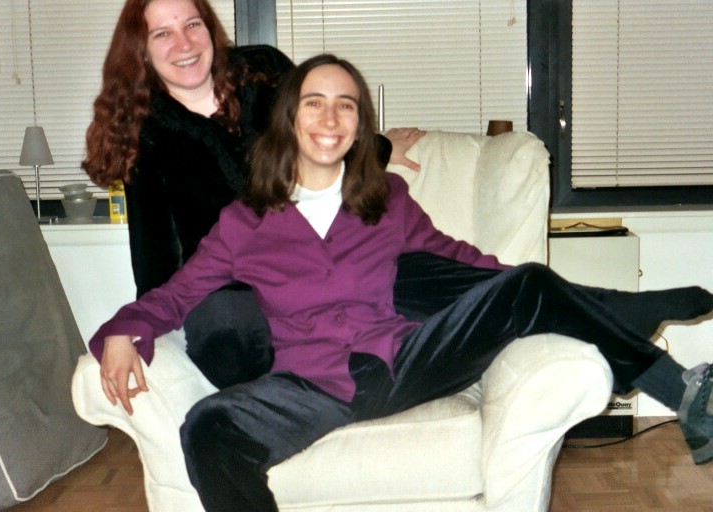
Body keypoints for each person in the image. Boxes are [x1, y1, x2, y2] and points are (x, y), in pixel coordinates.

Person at [90, 53, 713, 511]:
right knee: (207, 427)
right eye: (314, 102)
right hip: (308, 384)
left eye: (346, 104)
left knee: (524, 283)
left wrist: (561, 299)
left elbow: (462, 264)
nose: (330, 116)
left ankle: (682, 393)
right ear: (289, 119)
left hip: (402, 362)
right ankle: (627, 314)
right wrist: (122, 330)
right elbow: (178, 292)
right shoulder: (244, 220)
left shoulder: (387, 197)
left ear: (360, 124)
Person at [81, 0, 426, 390]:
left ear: (209, 28)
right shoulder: (144, 135)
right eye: (163, 34)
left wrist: (380, 147)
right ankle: (280, 400)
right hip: (230, 288)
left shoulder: (265, 71)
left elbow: (324, 128)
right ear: (141, 50)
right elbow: (154, 254)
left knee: (412, 277)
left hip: (312, 257)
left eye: (192, 25)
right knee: (228, 326)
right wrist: (135, 324)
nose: (184, 44)